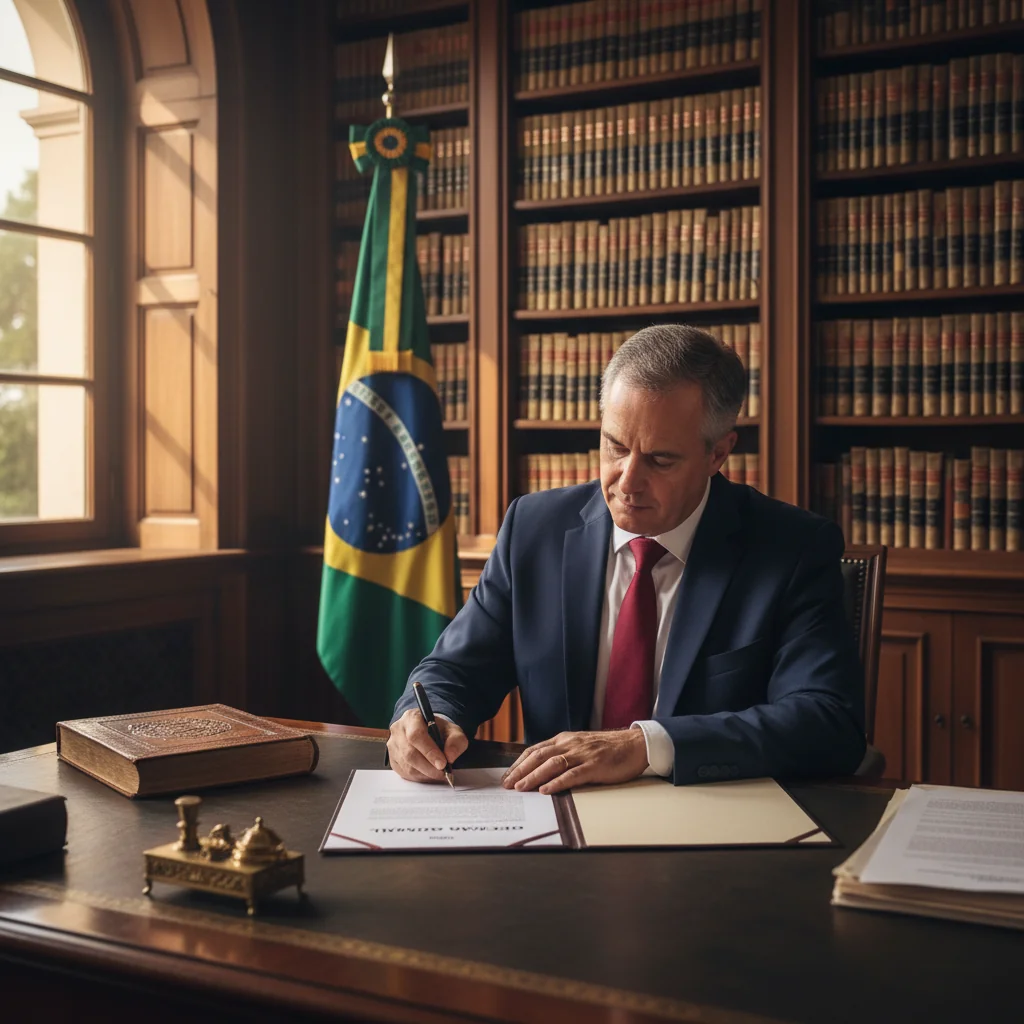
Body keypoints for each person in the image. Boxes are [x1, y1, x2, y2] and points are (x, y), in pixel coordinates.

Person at [387, 324, 866, 793]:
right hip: (551, 821)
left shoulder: (792, 548)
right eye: (615, 446)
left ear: (719, 453)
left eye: (660, 460)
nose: (627, 481)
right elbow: (454, 671)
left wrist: (644, 746)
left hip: (707, 827)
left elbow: (827, 721)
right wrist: (429, 718)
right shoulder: (534, 530)